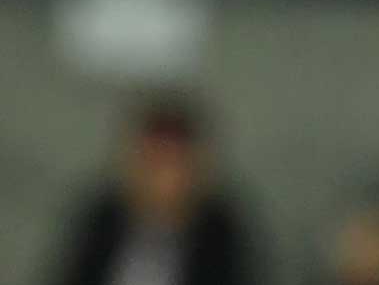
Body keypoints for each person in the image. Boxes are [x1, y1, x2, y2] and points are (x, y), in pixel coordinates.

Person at [51, 96, 253, 285]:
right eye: (153, 163)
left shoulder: (220, 231)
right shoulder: (102, 218)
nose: (161, 180)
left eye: (172, 165)